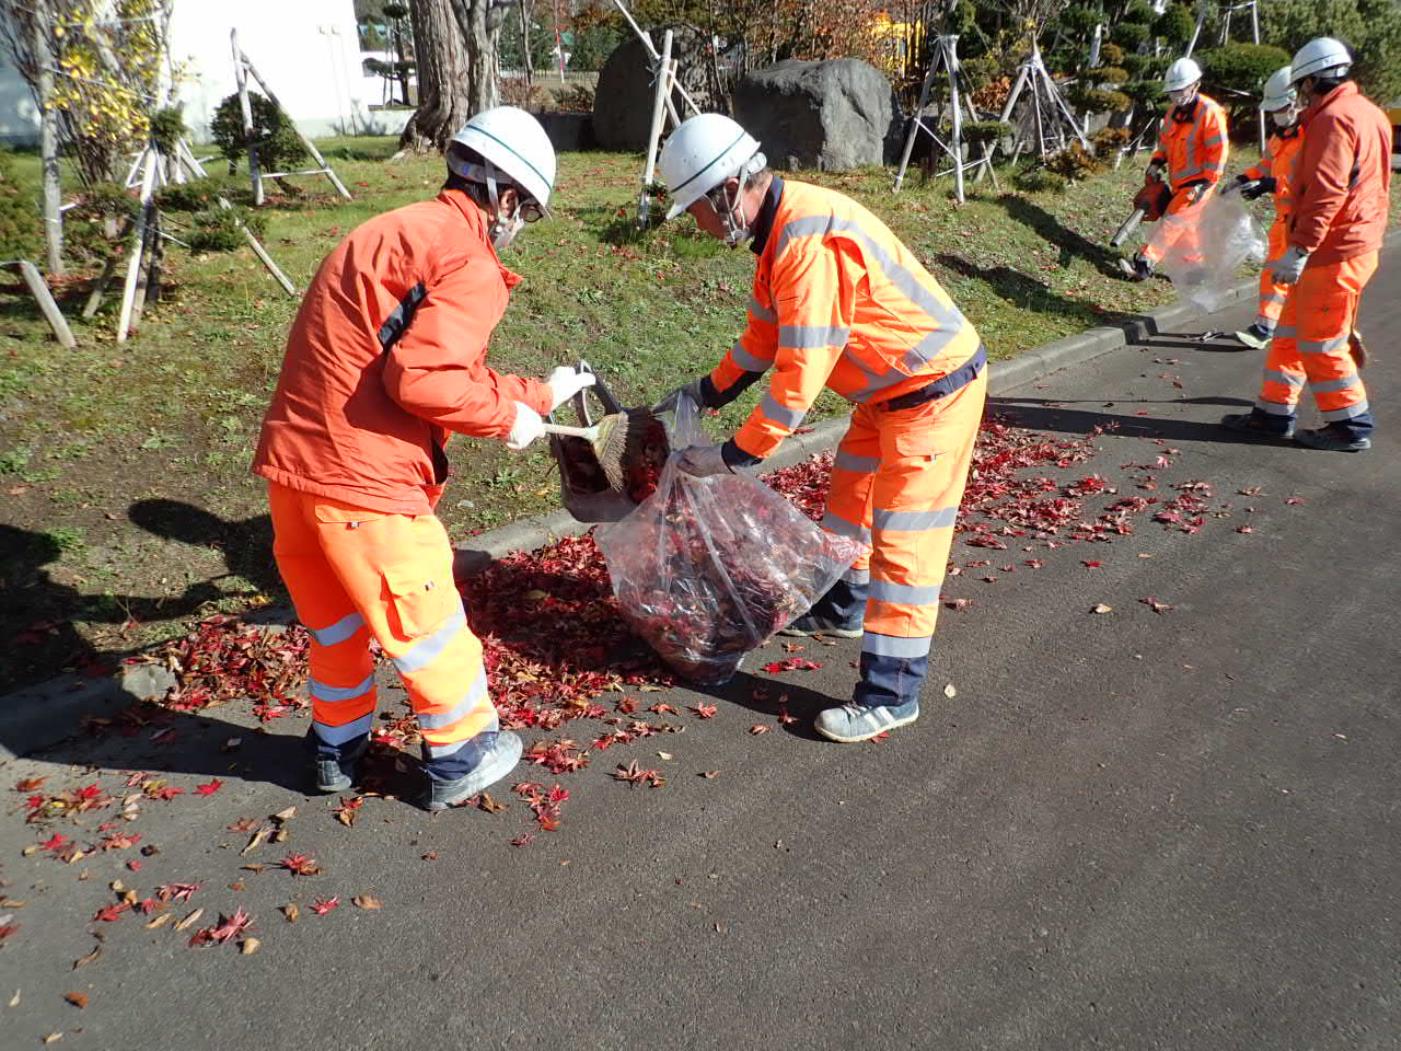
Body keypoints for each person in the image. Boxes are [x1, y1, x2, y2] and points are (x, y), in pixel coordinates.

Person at [253, 107, 596, 809]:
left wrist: (539, 391)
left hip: (296, 471)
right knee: (429, 626)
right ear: (505, 196)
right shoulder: (468, 258)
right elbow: (423, 380)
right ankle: (460, 752)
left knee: (335, 626)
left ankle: (334, 749)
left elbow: (406, 358)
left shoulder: (390, 231)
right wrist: (508, 420)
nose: (515, 229)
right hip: (366, 482)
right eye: (522, 213)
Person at [653, 113, 987, 744]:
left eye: (696, 208)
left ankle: (892, 694)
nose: (696, 224)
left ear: (727, 190)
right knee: (846, 510)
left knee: (903, 544)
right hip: (886, 395)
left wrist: (732, 455)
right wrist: (706, 391)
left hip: (932, 395)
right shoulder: (776, 234)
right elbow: (761, 338)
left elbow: (799, 374)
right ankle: (843, 610)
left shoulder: (806, 241)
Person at [1221, 37, 1391, 452]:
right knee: (1291, 332)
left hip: (1334, 250)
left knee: (1321, 342)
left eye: (1302, 87)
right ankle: (1273, 413)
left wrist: (1299, 249)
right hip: (1343, 245)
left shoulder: (1333, 120)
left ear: (1314, 80)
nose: (1300, 96)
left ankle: (1351, 425)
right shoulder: (1369, 113)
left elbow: (1326, 192)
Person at [1120, 57, 1230, 282]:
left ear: (1195, 85)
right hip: (1180, 181)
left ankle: (1144, 263)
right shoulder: (1173, 112)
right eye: (1172, 92)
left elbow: (1219, 151)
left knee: (1173, 220)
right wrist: (1157, 161)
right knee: (1185, 226)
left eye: (1180, 90)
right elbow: (1165, 143)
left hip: (1200, 183)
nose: (1176, 96)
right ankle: (1197, 270)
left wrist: (1206, 183)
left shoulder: (1210, 112)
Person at [1223, 67, 1304, 349]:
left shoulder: (1313, 136)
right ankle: (1264, 327)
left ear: (1296, 101)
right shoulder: (1279, 137)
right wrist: (1244, 178)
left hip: (1308, 223)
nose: (1276, 115)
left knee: (1304, 283)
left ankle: (1307, 330)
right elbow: (1266, 165)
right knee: (1272, 274)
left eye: (1280, 108)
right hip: (1284, 221)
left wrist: (1271, 184)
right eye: (1273, 110)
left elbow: (1314, 181)